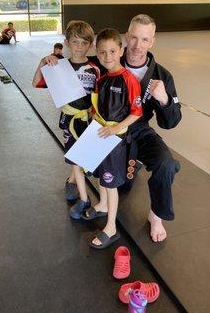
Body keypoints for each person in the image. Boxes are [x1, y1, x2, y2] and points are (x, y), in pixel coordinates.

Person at [89, 14, 182, 243]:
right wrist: (54, 60)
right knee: (119, 187)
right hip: (108, 129)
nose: (137, 46)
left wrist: (165, 100)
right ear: (126, 37)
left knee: (166, 163)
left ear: (152, 41)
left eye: (144, 39)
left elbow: (170, 122)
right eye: (133, 38)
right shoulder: (106, 60)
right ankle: (128, 166)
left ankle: (157, 214)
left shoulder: (162, 75)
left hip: (138, 129)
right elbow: (78, 60)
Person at [32, 20, 100, 217]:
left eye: (84, 43)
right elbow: (36, 82)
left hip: (90, 120)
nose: (79, 47)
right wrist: (42, 63)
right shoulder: (59, 66)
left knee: (82, 157)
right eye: (75, 42)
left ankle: (71, 182)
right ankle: (84, 199)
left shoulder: (96, 67)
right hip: (70, 120)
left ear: (91, 43)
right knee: (75, 158)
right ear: (67, 42)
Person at [86, 28, 142, 249]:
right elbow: (98, 108)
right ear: (97, 53)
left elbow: (136, 112)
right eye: (102, 53)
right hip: (100, 135)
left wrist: (116, 128)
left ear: (121, 50)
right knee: (101, 175)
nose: (107, 57)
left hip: (115, 141)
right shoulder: (102, 79)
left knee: (111, 183)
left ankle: (111, 228)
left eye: (112, 51)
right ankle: (102, 205)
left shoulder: (128, 79)